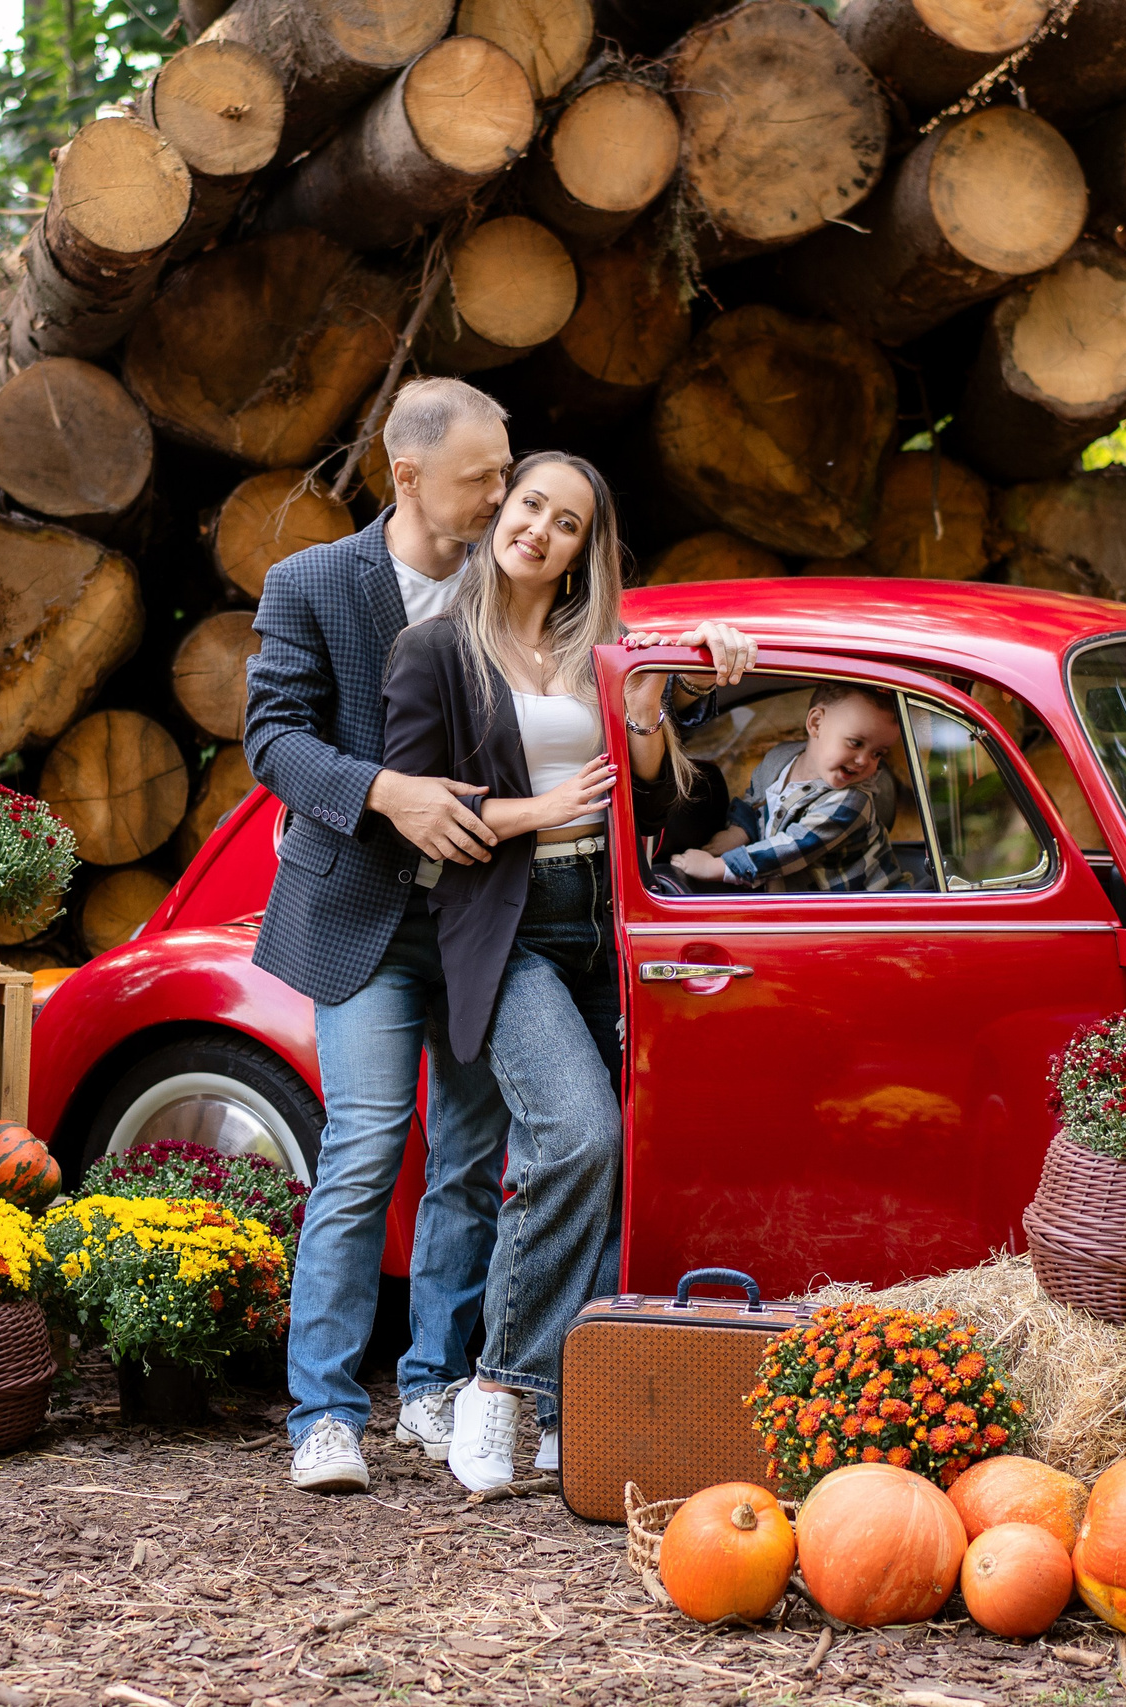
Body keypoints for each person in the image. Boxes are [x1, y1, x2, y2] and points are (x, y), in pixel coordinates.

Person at [381, 452, 755, 1491]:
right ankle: (498, 1387)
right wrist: (535, 815)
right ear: (500, 510)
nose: (540, 529)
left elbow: (656, 787)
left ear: (587, 549)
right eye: (530, 505)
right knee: (575, 1132)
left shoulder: (599, 645)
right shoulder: (432, 652)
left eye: (569, 522)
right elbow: (416, 816)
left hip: (608, 918)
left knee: (619, 1149)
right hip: (503, 924)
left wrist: (672, 671)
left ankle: (560, 1403)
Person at [243, 378, 522, 1495]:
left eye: (507, 471)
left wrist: (715, 644)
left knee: (468, 1159)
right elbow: (273, 739)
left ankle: (430, 1388)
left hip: (476, 919)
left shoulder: (517, 583)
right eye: (482, 477)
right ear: (406, 477)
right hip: (356, 910)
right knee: (364, 1149)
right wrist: (387, 795)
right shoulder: (311, 583)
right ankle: (322, 1412)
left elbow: (608, 650)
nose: (504, 495)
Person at [669, 682, 905, 893]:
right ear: (816, 723)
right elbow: (754, 800)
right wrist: (738, 833)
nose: (864, 760)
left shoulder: (851, 801)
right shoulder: (778, 758)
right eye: (856, 743)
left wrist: (716, 867)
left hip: (866, 914)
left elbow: (792, 848)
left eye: (877, 753)